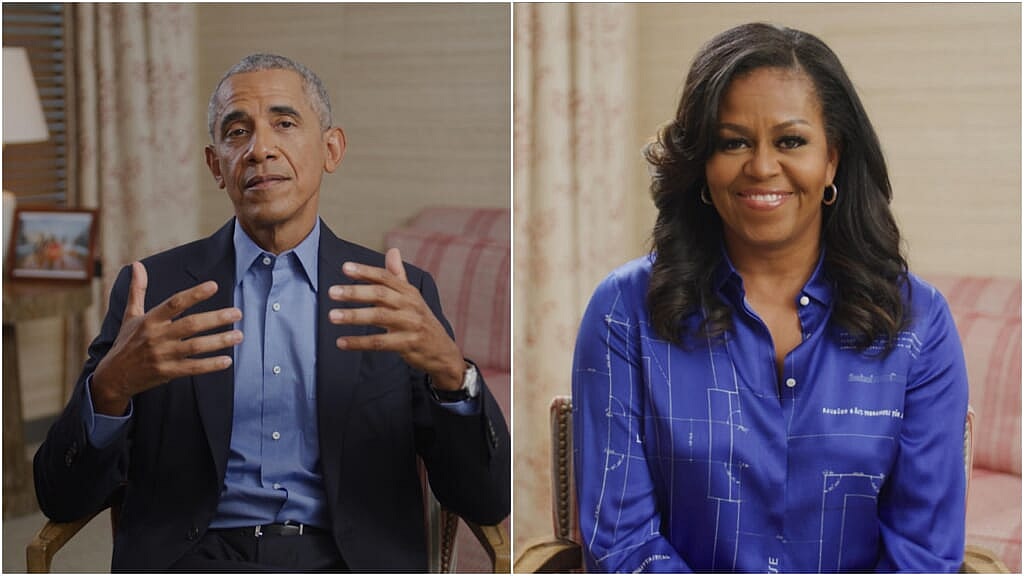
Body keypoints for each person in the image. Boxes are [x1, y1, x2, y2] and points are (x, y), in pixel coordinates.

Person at [34, 53, 510, 572]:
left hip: (347, 560)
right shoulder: (152, 293)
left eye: (284, 124)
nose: (260, 149)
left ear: (331, 149)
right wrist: (109, 389)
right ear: (217, 165)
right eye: (237, 132)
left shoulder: (396, 293)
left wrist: (451, 373)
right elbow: (61, 497)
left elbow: (486, 498)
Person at [572, 23, 968, 573]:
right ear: (703, 169)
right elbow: (622, 544)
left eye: (790, 141)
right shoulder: (624, 311)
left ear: (832, 159)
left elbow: (923, 553)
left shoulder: (918, 323)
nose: (761, 166)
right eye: (733, 142)